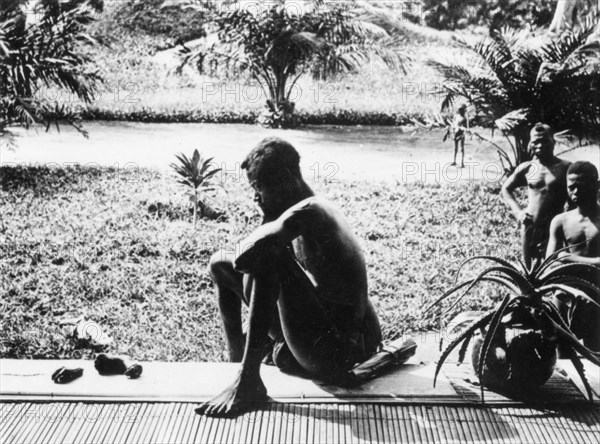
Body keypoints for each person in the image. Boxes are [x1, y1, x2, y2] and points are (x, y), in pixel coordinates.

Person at [197, 137, 382, 417]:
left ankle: (248, 380)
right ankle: (237, 364)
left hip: (340, 353)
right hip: (313, 338)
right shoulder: (292, 213)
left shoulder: (313, 211)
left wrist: (267, 224)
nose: (255, 198)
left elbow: (249, 255)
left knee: (267, 255)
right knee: (219, 264)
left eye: (258, 188)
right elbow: (238, 262)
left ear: (286, 178)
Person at [546, 161, 600, 352]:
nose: (576, 192)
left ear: (597, 185)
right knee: (564, 354)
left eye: (582, 186)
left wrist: (569, 258)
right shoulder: (560, 221)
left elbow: (562, 258)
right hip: (565, 294)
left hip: (596, 295)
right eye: (571, 187)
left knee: (597, 354)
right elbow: (551, 262)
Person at [501, 123, 571, 268]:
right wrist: (518, 212)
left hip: (554, 226)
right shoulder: (527, 168)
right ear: (530, 144)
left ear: (553, 141)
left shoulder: (566, 167)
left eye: (544, 140)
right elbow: (506, 189)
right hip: (530, 226)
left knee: (551, 266)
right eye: (535, 142)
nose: (540, 145)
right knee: (528, 270)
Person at [451, 103, 469, 168]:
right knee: (455, 148)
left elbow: (467, 128)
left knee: (462, 149)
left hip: (461, 134)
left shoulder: (465, 118)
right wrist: (453, 129)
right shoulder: (456, 116)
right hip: (456, 133)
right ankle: (454, 161)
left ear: (464, 110)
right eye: (460, 110)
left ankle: (462, 163)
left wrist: (462, 129)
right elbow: (453, 124)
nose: (461, 111)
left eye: (462, 110)